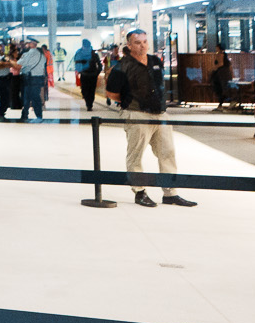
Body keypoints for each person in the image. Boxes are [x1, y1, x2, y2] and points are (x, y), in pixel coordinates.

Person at [104, 29, 196, 207]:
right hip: (137, 115)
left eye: (145, 41)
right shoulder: (122, 66)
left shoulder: (155, 61)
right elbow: (111, 93)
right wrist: (130, 103)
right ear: (129, 45)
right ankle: (139, 191)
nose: (143, 45)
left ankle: (170, 193)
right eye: (138, 42)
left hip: (160, 114)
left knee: (167, 152)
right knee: (136, 154)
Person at [17, 37, 49, 120]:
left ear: (31, 44)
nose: (26, 45)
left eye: (28, 43)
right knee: (36, 97)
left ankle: (24, 115)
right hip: (39, 78)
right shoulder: (42, 55)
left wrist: (9, 60)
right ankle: (39, 115)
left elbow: (18, 64)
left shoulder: (28, 54)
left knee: (27, 97)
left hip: (30, 79)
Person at [76, 40, 103, 111]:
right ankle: (88, 102)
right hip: (84, 75)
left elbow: (99, 64)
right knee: (84, 90)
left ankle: (89, 104)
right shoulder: (80, 53)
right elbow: (77, 63)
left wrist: (97, 72)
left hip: (92, 75)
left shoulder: (94, 54)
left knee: (91, 90)